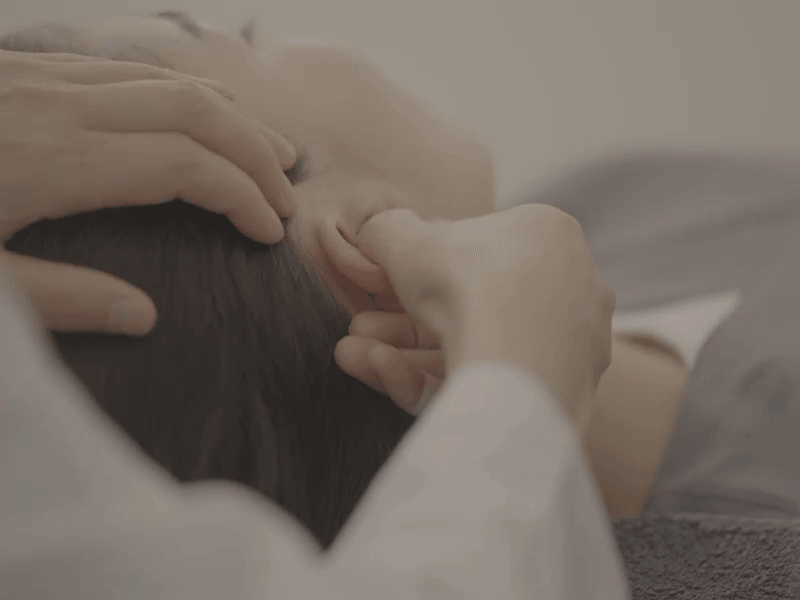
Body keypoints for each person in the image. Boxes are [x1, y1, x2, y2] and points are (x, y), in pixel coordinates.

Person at [0, 23, 631, 600]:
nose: (290, 32)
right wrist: (524, 373)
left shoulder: (627, 195)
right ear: (364, 252)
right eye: (245, 40)